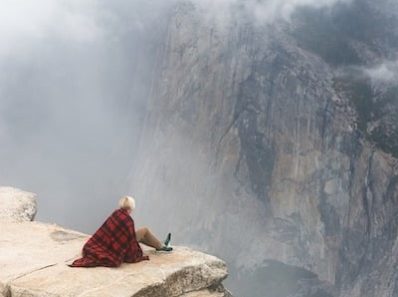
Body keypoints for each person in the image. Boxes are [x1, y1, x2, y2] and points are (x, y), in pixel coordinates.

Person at [69, 196, 172, 268]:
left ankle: (160, 245)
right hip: (120, 247)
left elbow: (105, 229)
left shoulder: (116, 213)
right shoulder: (128, 220)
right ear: (131, 207)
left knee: (142, 234)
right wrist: (136, 253)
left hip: (112, 243)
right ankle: (161, 246)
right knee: (144, 231)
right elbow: (131, 241)